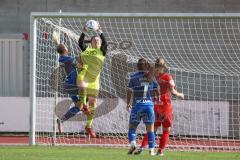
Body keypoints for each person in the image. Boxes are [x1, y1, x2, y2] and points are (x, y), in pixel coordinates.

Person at [134, 57, 184, 156]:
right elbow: (173, 92)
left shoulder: (151, 76)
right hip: (165, 107)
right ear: (164, 66)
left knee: (152, 129)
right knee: (166, 130)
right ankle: (160, 151)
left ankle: (142, 147)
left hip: (154, 106)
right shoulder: (168, 77)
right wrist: (180, 94)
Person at [52, 33, 91, 134]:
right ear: (65, 50)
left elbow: (66, 56)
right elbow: (80, 65)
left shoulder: (65, 58)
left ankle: (62, 120)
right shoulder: (68, 59)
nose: (67, 48)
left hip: (70, 85)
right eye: (66, 47)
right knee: (88, 94)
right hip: (72, 84)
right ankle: (84, 108)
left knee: (79, 106)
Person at [77, 22, 108, 138]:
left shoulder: (102, 51)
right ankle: (83, 105)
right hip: (84, 75)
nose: (97, 41)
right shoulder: (87, 49)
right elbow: (80, 42)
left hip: (95, 80)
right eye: (95, 40)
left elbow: (105, 42)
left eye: (98, 41)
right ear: (91, 42)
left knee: (93, 104)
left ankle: (89, 126)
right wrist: (84, 31)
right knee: (82, 84)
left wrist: (100, 31)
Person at [127, 58, 158, 156]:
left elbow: (129, 91)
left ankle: (133, 143)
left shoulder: (133, 77)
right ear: (146, 65)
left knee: (132, 127)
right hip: (149, 106)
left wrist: (128, 103)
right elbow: (157, 90)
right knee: (150, 130)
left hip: (137, 106)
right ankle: (151, 150)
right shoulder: (151, 77)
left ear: (137, 66)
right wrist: (157, 99)